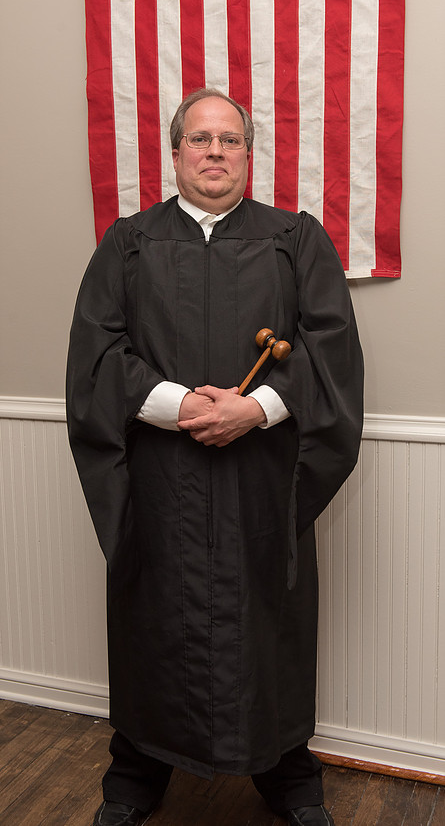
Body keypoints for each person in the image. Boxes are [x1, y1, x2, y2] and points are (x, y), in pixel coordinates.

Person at [66, 89, 364, 826]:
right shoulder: (127, 243)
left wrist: (254, 409)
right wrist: (180, 406)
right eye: (199, 139)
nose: (214, 153)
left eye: (229, 140)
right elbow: (98, 354)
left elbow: (330, 352)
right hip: (159, 482)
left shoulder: (295, 239)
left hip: (262, 481)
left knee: (268, 620)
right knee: (153, 619)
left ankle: (288, 775)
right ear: (174, 153)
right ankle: (136, 772)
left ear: (248, 154)